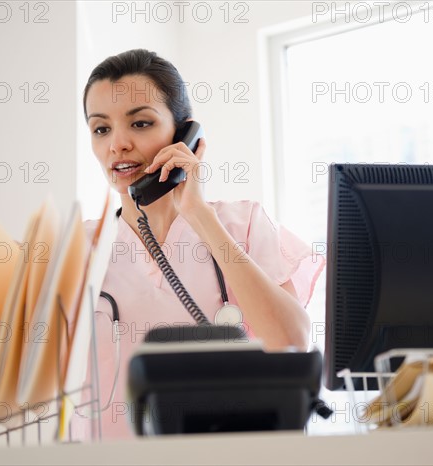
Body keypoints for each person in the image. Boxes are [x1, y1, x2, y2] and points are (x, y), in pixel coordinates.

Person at [72, 49, 324, 440]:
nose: (117, 144)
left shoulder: (243, 224)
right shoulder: (76, 248)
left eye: (139, 123)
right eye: (101, 129)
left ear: (185, 134)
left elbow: (292, 344)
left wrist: (200, 215)